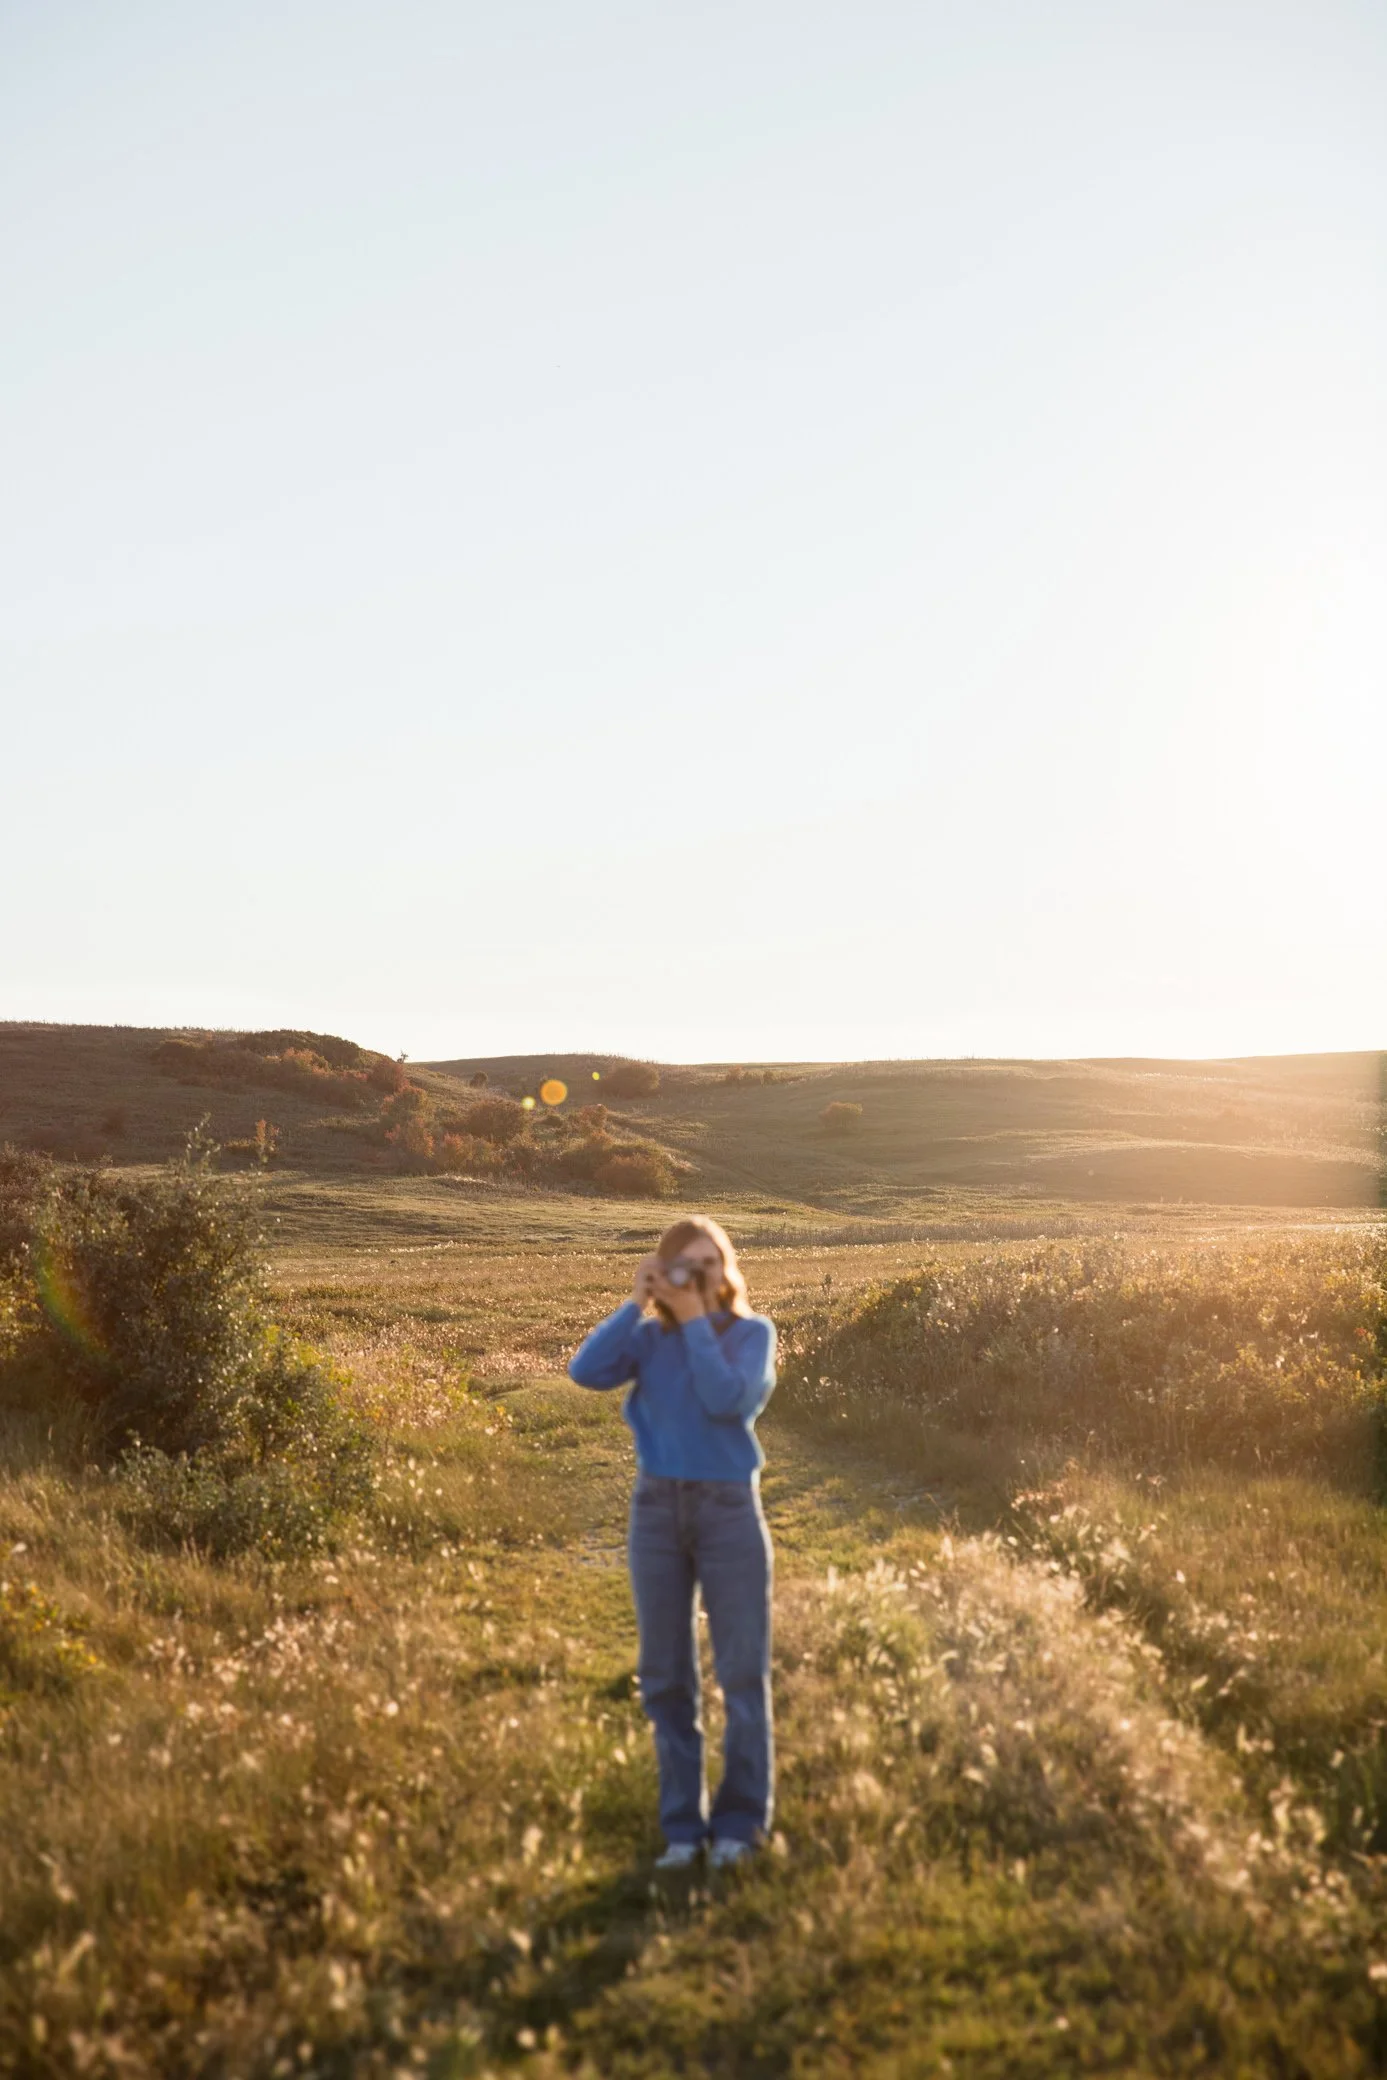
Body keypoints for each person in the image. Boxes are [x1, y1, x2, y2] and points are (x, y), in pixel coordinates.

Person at [568, 1215, 776, 1870]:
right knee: (664, 1674)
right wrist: (637, 1300)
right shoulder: (648, 1338)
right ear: (665, 1270)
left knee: (741, 1671)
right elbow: (586, 1371)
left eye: (710, 1263)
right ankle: (683, 1831)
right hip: (656, 1508)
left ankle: (740, 1826)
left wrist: (692, 1321)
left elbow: (726, 1402)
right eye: (684, 1265)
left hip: (726, 1510)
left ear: (727, 1269)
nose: (699, 1276)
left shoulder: (750, 1335)